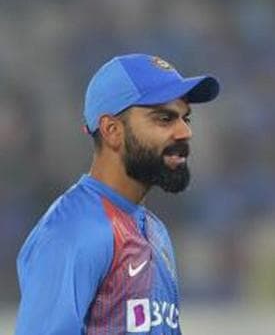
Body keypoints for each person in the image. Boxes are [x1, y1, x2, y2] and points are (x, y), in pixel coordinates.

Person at [15, 53, 220, 334]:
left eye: (186, 118)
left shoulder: (154, 230)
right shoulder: (73, 232)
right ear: (112, 131)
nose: (185, 132)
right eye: (164, 118)